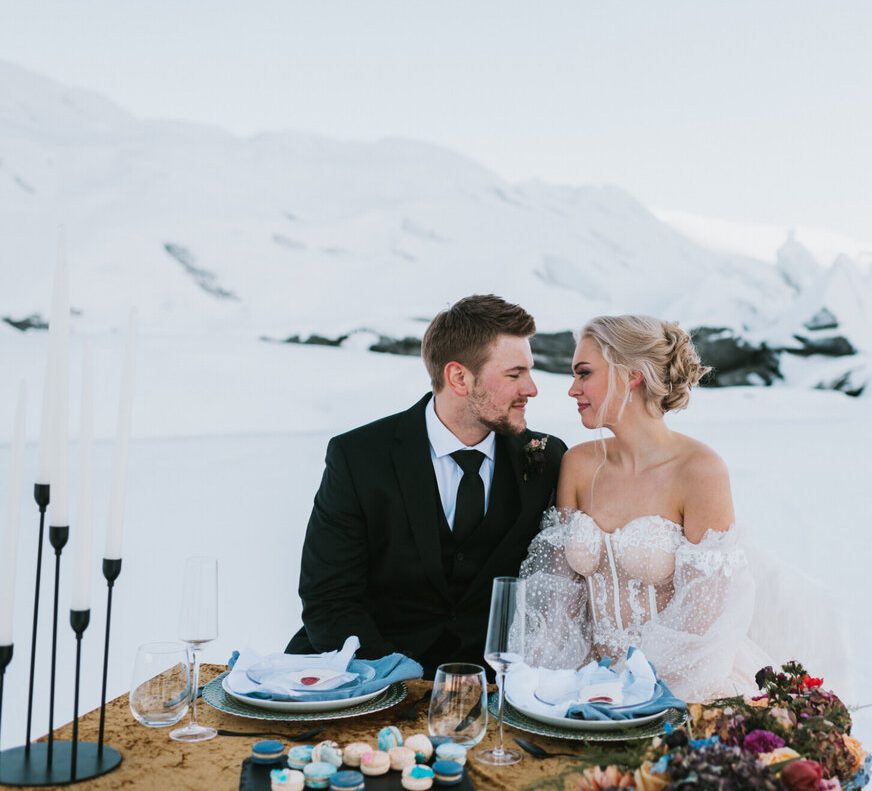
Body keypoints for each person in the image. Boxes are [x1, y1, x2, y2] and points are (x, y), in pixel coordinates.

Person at [287, 295, 567, 677]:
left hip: (487, 684)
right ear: (459, 378)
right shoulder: (358, 457)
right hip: (365, 676)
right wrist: (391, 677)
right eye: (514, 375)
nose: (532, 388)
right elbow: (329, 598)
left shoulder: (544, 458)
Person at [520, 314, 774, 701]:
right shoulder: (578, 464)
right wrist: (546, 685)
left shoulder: (699, 471)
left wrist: (633, 696)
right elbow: (559, 603)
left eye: (584, 373)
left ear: (631, 375)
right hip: (589, 684)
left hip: (679, 688)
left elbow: (704, 624)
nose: (573, 389)